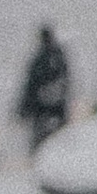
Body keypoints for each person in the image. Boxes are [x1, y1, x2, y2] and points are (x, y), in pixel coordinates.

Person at [16, 22, 70, 150]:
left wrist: (24, 108)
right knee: (57, 142)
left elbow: (31, 86)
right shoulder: (58, 58)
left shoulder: (40, 60)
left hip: (43, 111)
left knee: (43, 144)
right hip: (55, 110)